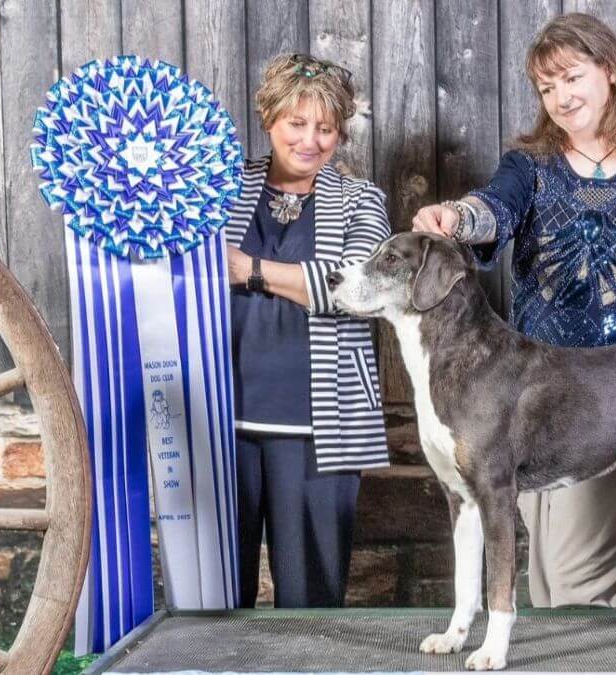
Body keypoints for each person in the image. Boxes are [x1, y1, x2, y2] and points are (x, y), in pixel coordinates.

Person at [412, 13, 616, 608]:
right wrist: (457, 217)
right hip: (534, 407)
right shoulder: (529, 166)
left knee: (594, 594)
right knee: (551, 587)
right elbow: (493, 212)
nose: (559, 97)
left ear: (610, 71)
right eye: (546, 87)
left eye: (571, 78)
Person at [224, 53, 390, 608]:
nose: (311, 141)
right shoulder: (217, 188)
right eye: (297, 123)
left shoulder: (362, 200)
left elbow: (356, 286)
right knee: (218, 603)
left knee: (310, 603)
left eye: (326, 128)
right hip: (224, 422)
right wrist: (290, 280)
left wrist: (245, 270)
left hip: (321, 428)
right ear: (268, 118)